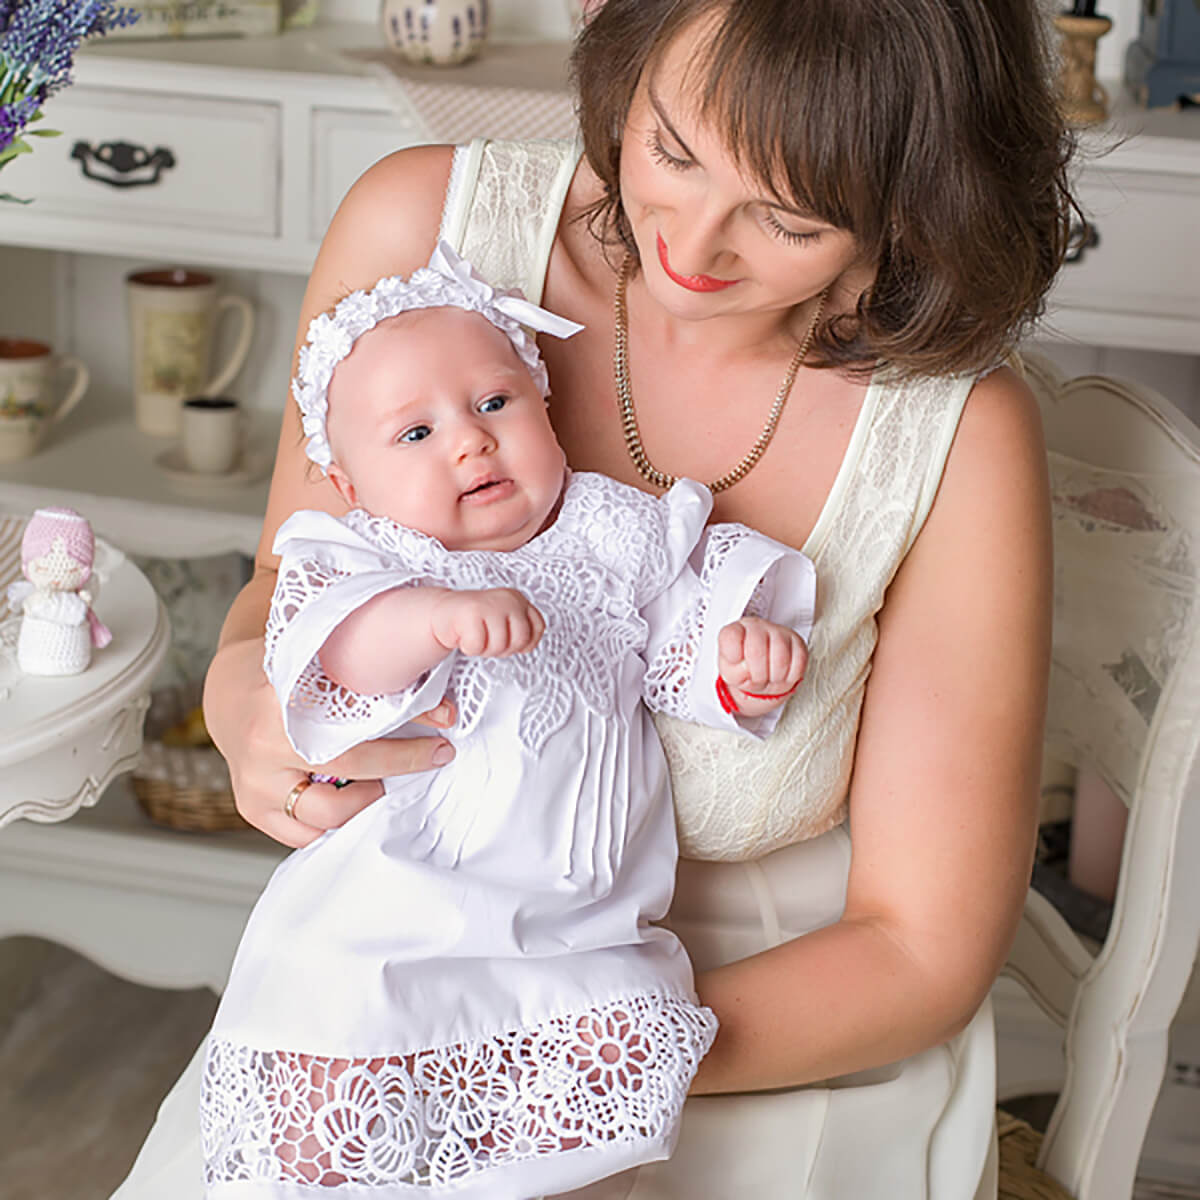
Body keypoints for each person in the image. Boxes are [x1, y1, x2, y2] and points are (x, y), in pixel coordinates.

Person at [115, 0, 1068, 1196]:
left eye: (787, 217)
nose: (694, 243)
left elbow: (921, 952)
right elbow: (290, 580)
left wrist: (559, 1058)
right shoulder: (421, 234)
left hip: (768, 1016)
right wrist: (248, 691)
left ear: (918, 206)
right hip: (392, 992)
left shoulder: (959, 437)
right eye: (670, 147)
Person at [199, 244, 813, 1198]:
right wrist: (426, 619)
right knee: (336, 1084)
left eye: (495, 404)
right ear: (353, 487)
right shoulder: (367, 556)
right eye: (414, 434)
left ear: (543, 406)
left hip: (581, 919)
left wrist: (739, 663)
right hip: (397, 907)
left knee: (593, 1105)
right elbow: (332, 661)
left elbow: (680, 641)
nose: (470, 442)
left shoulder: (611, 532)